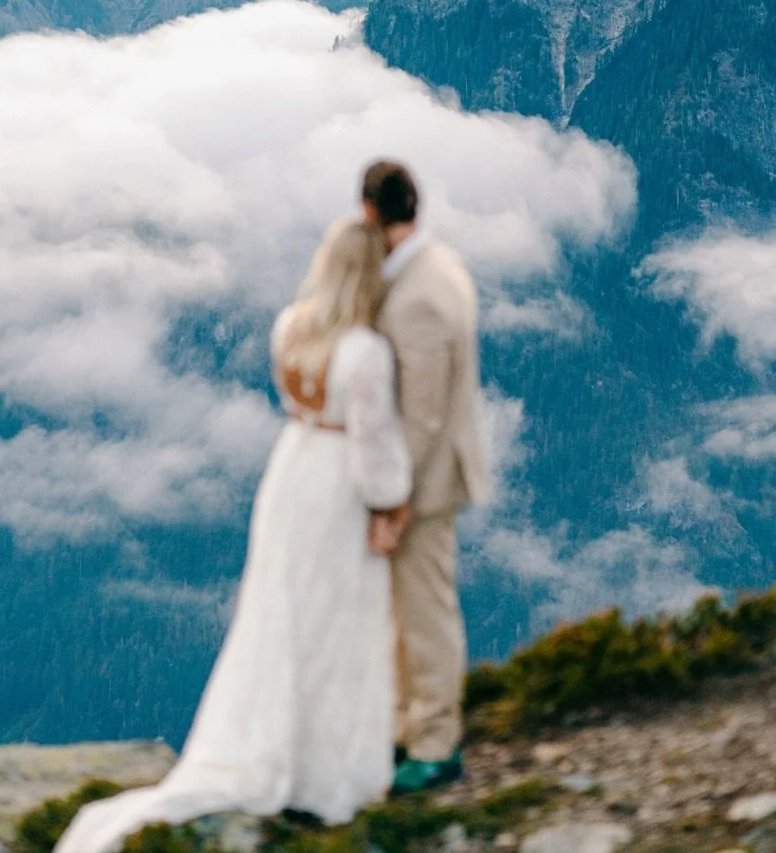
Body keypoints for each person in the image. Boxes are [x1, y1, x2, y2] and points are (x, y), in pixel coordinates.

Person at [55, 220, 412, 853]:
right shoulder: (365, 350)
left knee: (278, 615)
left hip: (290, 472)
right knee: (339, 619)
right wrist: (392, 503)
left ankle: (265, 741)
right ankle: (326, 771)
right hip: (337, 485)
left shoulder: (291, 327)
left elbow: (299, 404)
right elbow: (375, 442)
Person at [360, 160, 490, 796]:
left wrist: (395, 498)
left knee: (424, 613)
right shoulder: (440, 268)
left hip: (427, 483)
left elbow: (422, 413)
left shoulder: (417, 295)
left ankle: (435, 745)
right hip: (436, 475)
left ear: (370, 212)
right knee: (410, 610)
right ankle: (410, 730)